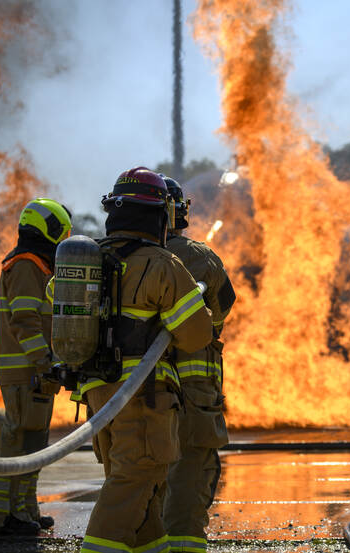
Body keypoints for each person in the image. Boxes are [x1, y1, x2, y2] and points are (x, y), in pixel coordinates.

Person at [76, 167, 213, 553]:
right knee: (133, 481)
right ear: (159, 215)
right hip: (142, 395)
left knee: (145, 490)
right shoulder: (161, 264)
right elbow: (197, 335)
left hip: (97, 392)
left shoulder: (89, 260)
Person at [0, 198, 72, 536]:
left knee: (34, 444)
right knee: (19, 441)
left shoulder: (39, 267)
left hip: (36, 372)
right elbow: (24, 320)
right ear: (46, 230)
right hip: (26, 371)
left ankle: (25, 509)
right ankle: (4, 516)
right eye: (61, 234)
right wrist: (44, 361)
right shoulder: (25, 265)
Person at [161, 176, 236, 553]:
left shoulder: (115, 259)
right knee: (192, 465)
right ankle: (183, 545)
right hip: (191, 389)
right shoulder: (197, 257)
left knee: (135, 470)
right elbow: (222, 308)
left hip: (126, 388)